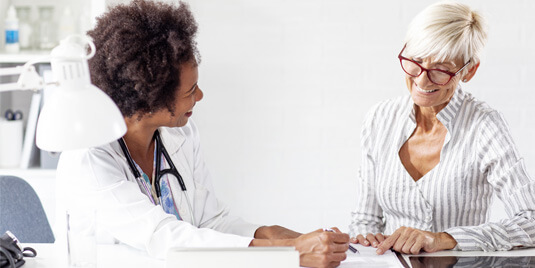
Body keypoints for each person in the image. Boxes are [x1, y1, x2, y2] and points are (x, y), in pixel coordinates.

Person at [56, 1, 349, 267]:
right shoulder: (89, 157)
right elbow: (163, 236)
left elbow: (210, 219)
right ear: (149, 99)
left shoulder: (180, 135)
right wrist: (289, 252)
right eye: (190, 91)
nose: (200, 95)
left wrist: (274, 235)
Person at [348, 1, 535, 255]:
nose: (422, 80)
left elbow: (531, 221)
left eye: (441, 70)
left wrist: (443, 239)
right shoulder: (380, 119)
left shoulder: (484, 126)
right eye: (415, 60)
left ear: (468, 71)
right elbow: (364, 220)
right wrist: (367, 240)